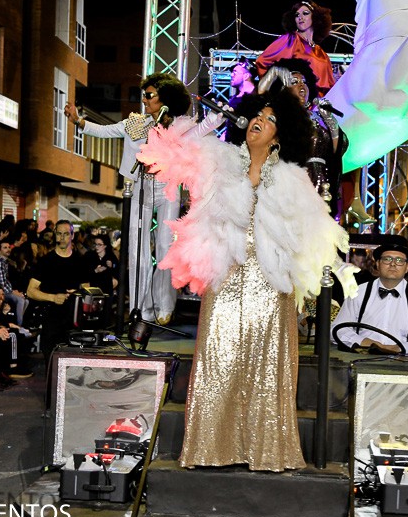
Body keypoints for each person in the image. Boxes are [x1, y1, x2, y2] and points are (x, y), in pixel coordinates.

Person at [136, 88, 357, 472]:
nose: (260, 121)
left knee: (266, 368)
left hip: (272, 285)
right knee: (219, 361)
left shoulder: (293, 178)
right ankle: (210, 447)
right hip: (226, 277)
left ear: (282, 133)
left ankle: (265, 450)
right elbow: (178, 155)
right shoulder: (220, 162)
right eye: (258, 113)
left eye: (271, 119)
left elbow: (307, 235)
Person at [66, 72, 197, 326]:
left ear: (166, 99)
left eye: (149, 95)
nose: (144, 100)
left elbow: (197, 141)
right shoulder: (133, 123)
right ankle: (141, 309)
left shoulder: (177, 127)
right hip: (138, 188)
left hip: (167, 187)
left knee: (165, 248)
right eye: (144, 95)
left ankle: (164, 305)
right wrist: (78, 121)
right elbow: (104, 131)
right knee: (137, 251)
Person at [258, 58, 349, 219]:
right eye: (294, 81)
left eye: (304, 82)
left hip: (322, 185)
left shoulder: (318, 117)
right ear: (283, 89)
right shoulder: (280, 114)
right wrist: (274, 74)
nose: (301, 85)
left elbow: (338, 150)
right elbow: (260, 98)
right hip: (293, 184)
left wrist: (331, 121)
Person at [334, 236, 408, 354]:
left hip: (403, 363)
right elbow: (337, 330)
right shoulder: (358, 293)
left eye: (399, 260)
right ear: (378, 264)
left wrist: (400, 347)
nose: (393, 264)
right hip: (361, 359)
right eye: (387, 259)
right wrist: (363, 341)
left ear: (407, 267)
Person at [25, 220, 90, 357]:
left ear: (72, 236)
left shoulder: (81, 262)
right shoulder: (45, 261)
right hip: (51, 318)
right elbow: (31, 291)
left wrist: (78, 292)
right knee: (52, 360)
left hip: (73, 319)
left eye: (66, 234)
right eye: (59, 233)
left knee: (73, 361)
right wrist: (53, 297)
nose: (62, 237)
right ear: (55, 235)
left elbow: (86, 288)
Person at [255, 0, 336, 95]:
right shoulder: (290, 39)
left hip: (316, 105)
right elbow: (262, 61)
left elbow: (330, 86)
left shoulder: (322, 54)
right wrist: (279, 82)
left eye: (305, 13)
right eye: (297, 15)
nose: (300, 17)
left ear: (315, 17)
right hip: (296, 101)